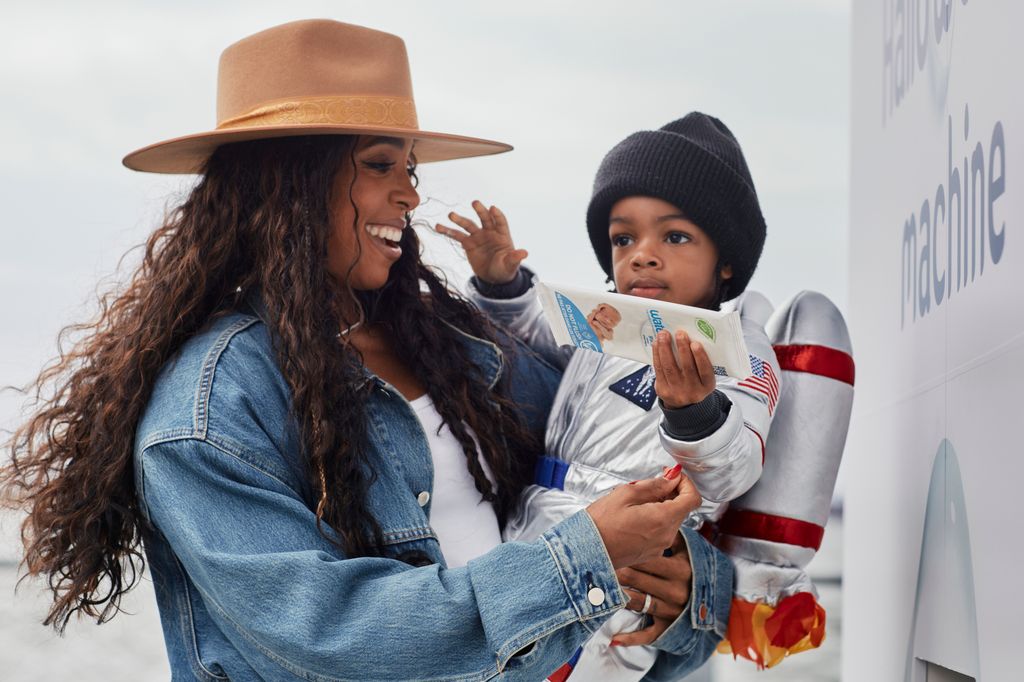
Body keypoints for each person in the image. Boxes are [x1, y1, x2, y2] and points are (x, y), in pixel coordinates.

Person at [0, 20, 735, 681]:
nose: (410, 195)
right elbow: (335, 638)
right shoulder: (209, 407)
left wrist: (684, 585)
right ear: (291, 181)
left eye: (410, 167)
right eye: (381, 165)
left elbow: (611, 464)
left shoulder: (458, 346)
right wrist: (581, 562)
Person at [438, 113, 778, 680]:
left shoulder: (737, 346)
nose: (643, 254)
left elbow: (734, 469)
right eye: (625, 237)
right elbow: (538, 342)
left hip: (632, 553)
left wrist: (695, 412)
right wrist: (505, 286)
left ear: (726, 261)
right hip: (535, 522)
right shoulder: (607, 321)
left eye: (674, 236)